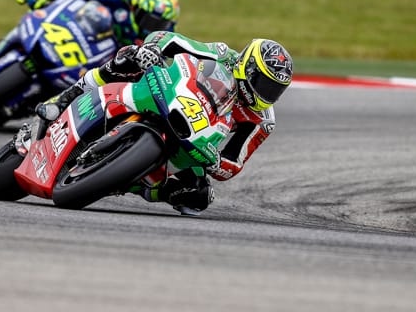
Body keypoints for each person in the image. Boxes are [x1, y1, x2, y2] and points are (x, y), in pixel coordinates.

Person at [35, 31, 293, 215]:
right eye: (264, 84)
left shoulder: (262, 120)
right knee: (130, 57)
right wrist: (153, 49)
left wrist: (215, 162)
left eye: (275, 90)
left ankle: (135, 184)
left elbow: (235, 162)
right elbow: (171, 39)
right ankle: (66, 97)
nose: (267, 94)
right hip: (172, 95)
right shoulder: (223, 55)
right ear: (248, 67)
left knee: (198, 197)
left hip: (196, 139)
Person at [17, 0, 180, 45]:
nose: (150, 28)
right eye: (148, 20)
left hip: (110, 67)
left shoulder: (166, 36)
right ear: (136, 6)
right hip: (85, 39)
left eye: (159, 24)